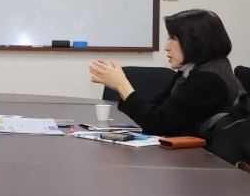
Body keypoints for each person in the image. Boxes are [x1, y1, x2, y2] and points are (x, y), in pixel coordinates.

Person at [89, 9, 244, 136]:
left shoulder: (208, 78)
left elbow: (158, 123)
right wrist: (119, 86)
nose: (166, 47)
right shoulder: (197, 70)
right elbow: (156, 107)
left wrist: (123, 85)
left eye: (172, 39)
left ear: (194, 41)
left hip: (205, 159)